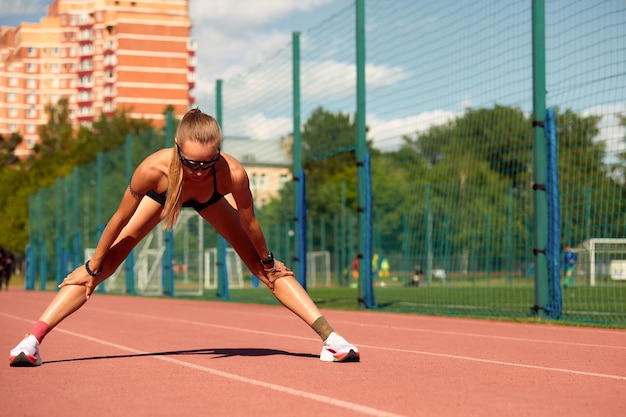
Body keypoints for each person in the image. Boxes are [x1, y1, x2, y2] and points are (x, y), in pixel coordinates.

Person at [9, 108, 359, 367]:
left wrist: (267, 260)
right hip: (162, 197)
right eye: (192, 163)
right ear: (177, 147)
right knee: (101, 268)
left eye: (208, 163)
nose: (199, 170)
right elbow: (119, 219)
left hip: (212, 201)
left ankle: (332, 339)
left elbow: (251, 224)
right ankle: (31, 342)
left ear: (218, 153)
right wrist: (93, 263)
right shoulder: (154, 168)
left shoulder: (232, 173)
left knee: (268, 270)